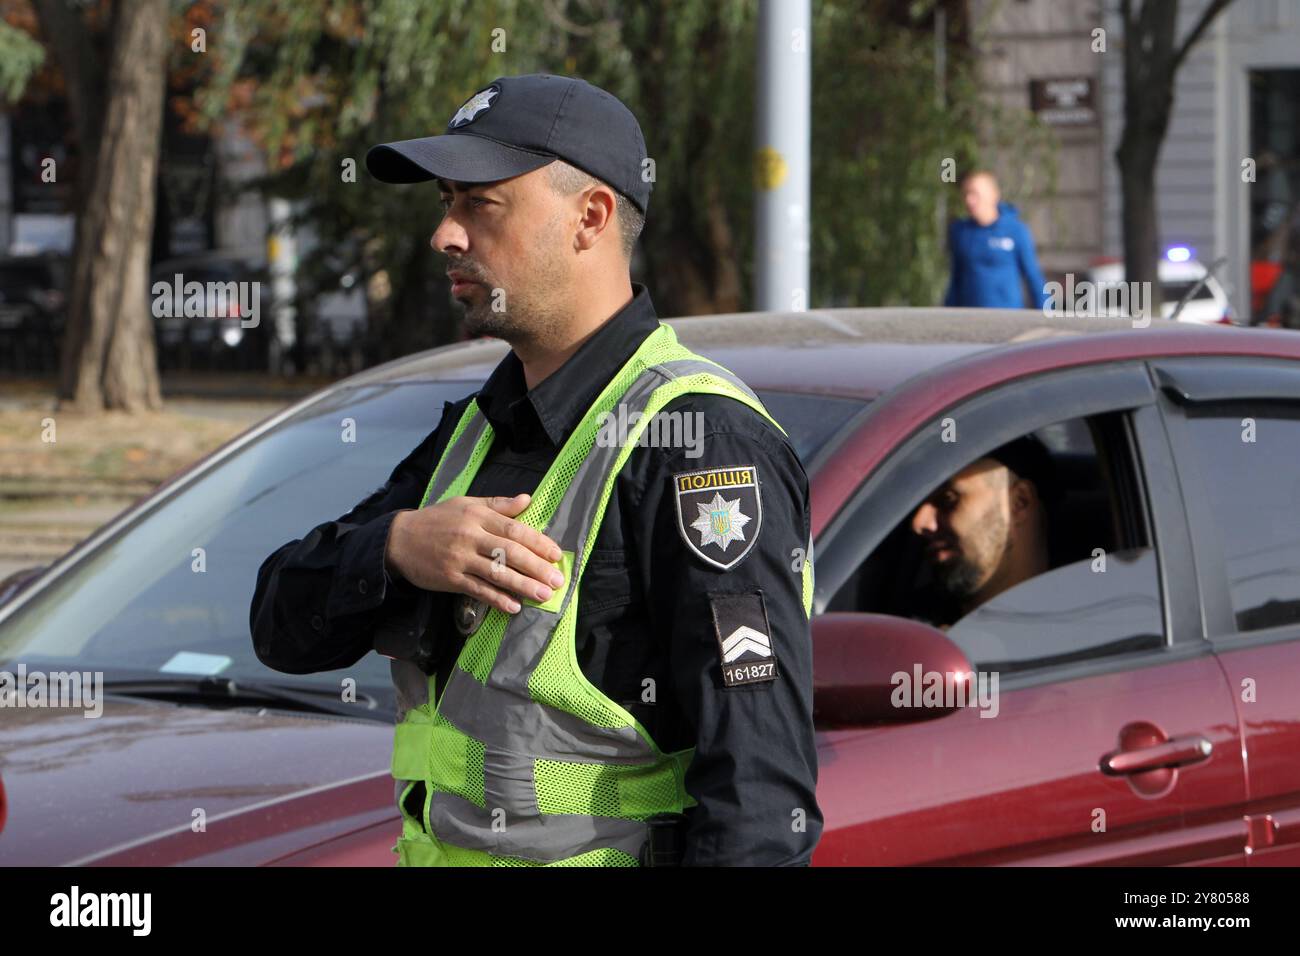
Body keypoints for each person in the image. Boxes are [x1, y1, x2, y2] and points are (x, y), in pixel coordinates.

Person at [248, 74, 822, 867]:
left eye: (478, 204)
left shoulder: (702, 446)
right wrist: (394, 548)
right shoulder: (481, 430)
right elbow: (280, 627)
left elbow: (760, 799)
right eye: (445, 201)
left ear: (590, 217)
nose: (444, 235)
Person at [907, 436, 1056, 629]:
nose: (919, 523)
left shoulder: (1088, 630)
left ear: (1020, 503)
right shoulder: (905, 623)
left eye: (948, 499)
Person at [944, 170, 1050, 310]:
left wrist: (1045, 314)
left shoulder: (1016, 230)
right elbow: (956, 279)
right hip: (969, 318)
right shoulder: (960, 232)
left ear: (993, 195)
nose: (969, 200)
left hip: (1007, 317)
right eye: (966, 194)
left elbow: (1033, 276)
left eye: (975, 194)